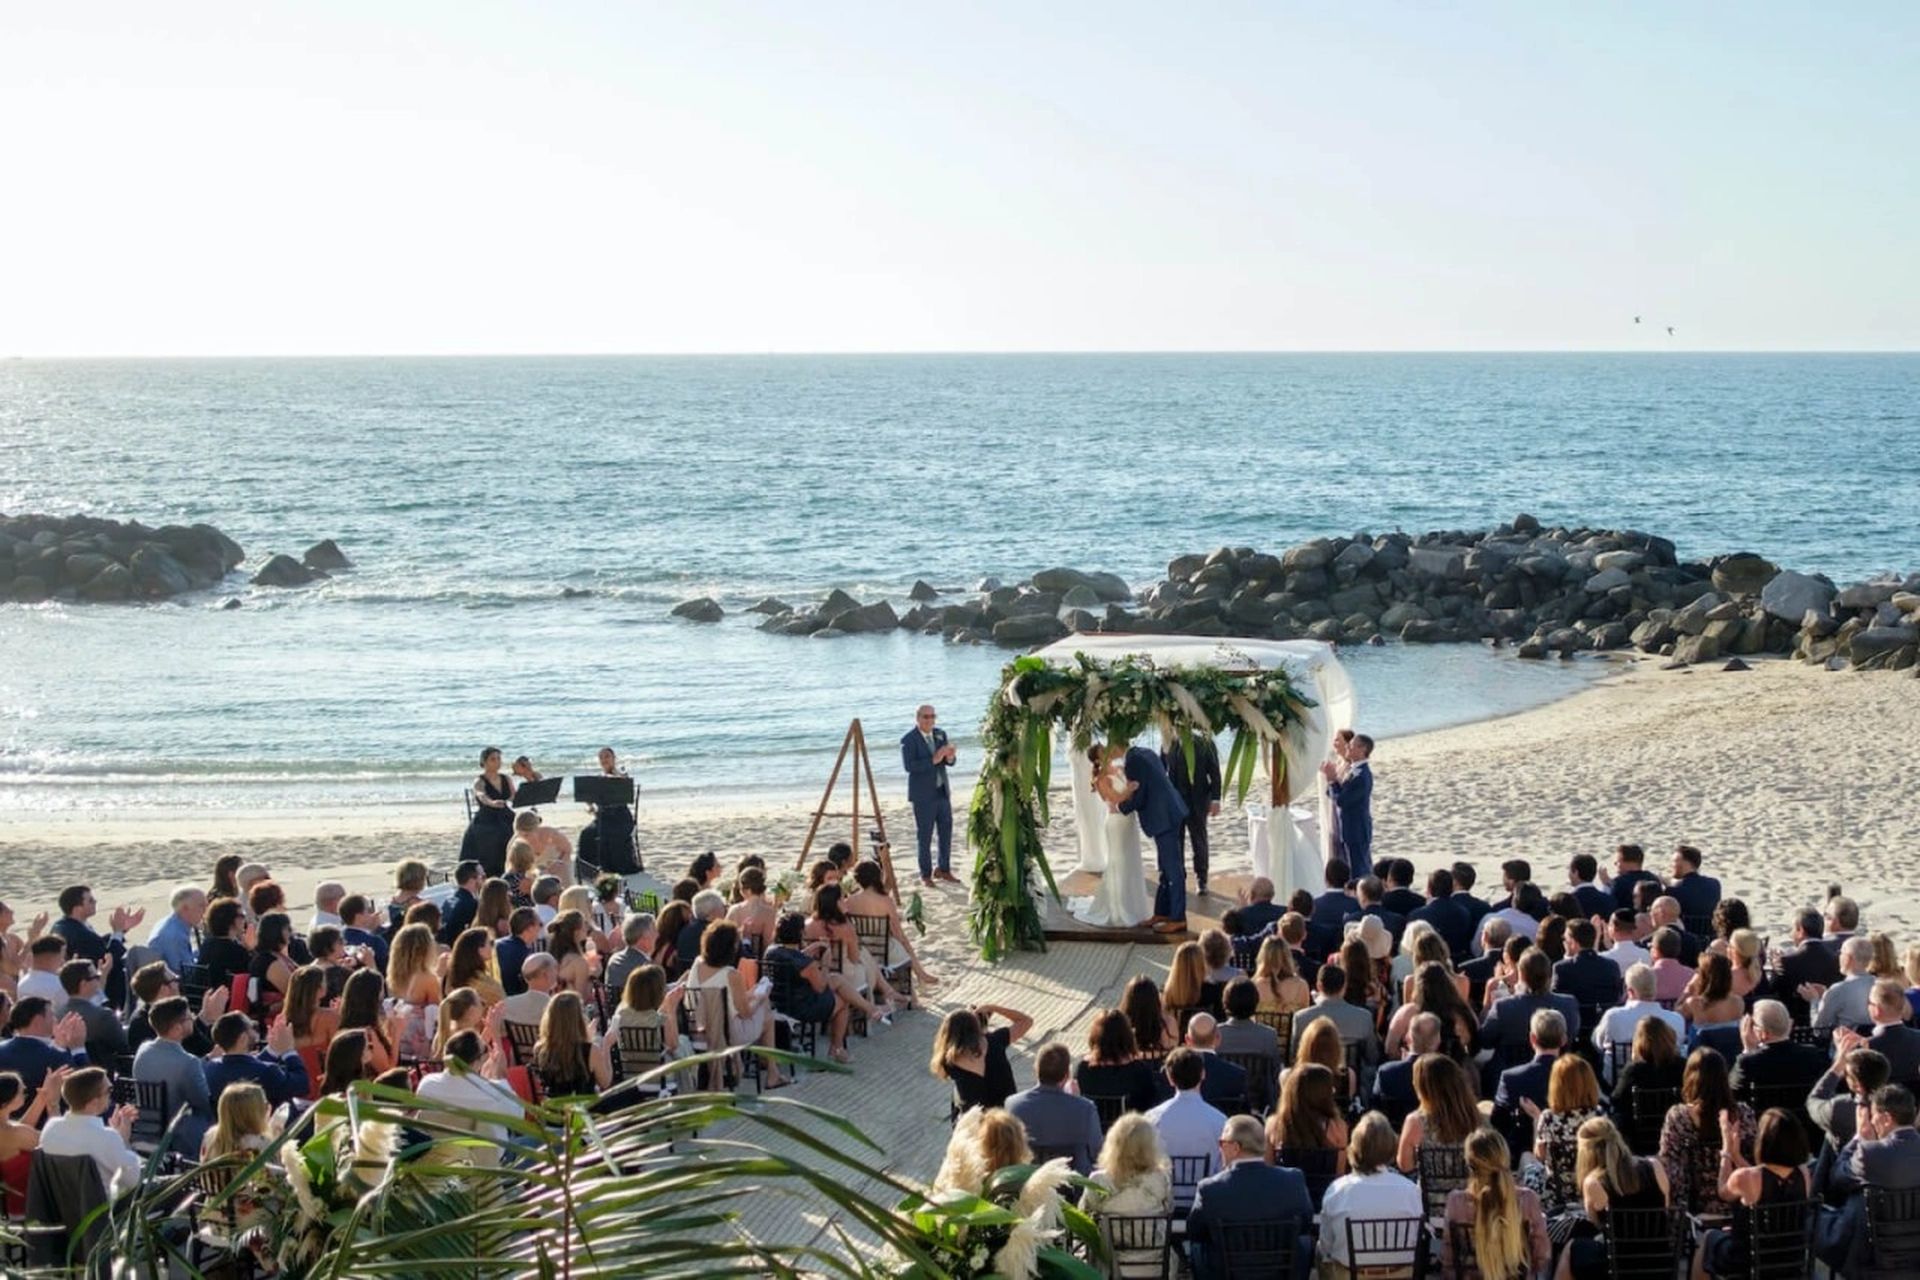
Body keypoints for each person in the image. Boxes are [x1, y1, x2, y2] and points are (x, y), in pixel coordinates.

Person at [1185, 1113, 1312, 1280]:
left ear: (1236, 1147)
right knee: (1304, 1241)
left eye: (1222, 1143)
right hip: (1280, 1271)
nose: (1219, 1148)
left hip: (1228, 1273)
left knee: (1197, 1248)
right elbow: (1306, 1222)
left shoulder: (1210, 1189)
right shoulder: (1293, 1179)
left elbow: (1195, 1231)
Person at [1692, 1107, 1809, 1280]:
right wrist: (1737, 1156)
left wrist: (1726, 1151)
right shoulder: (1804, 1174)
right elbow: (1764, 1180)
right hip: (1790, 1260)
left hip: (1749, 1259)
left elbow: (1723, 1191)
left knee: (1708, 1238)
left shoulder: (1746, 1178)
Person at [1090, 740, 1191, 933]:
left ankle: (1178, 918)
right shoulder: (1144, 752)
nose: (1109, 752)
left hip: (1164, 817)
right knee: (1165, 868)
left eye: (1110, 748)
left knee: (1173, 870)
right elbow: (1159, 774)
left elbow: (1141, 793)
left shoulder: (1133, 761)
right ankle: (1162, 912)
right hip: (1170, 812)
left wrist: (1120, 807)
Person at [1559, 1116, 1673, 1280]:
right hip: (1660, 1262)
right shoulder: (1655, 1166)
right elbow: (1664, 1209)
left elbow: (1595, 1225)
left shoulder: (1593, 1183)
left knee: (1572, 1248)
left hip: (1618, 1266)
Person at [1439, 1127, 1551, 1280]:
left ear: (1470, 1165)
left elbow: (1448, 1259)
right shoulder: (1527, 1199)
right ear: (1505, 1158)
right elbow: (1541, 1256)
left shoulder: (1455, 1201)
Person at [1321, 1111, 1424, 1276]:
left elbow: (1327, 1245)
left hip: (1351, 1274)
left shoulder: (1337, 1190)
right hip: (1400, 1274)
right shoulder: (1410, 1190)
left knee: (1320, 1252)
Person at [684, 921, 785, 1088]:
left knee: (760, 1003)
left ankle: (766, 1066)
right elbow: (745, 1013)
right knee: (767, 1013)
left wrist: (751, 994)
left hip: (696, 1029)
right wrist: (760, 997)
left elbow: (719, 1000)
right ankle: (772, 1072)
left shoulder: (697, 963)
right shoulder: (732, 974)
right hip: (725, 1034)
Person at [1658, 1048, 1755, 1217]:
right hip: (1741, 1204)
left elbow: (1671, 1167)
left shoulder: (1678, 1117)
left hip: (1693, 1208)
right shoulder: (1743, 1113)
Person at [1522, 1053, 1605, 1236]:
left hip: (1555, 1193)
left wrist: (1536, 1119)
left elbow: (1540, 1156)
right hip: (1590, 1189)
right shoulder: (1599, 1115)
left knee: (1525, 1159)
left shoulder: (1549, 1118)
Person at [38, 1067, 142, 1198]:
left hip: (64, 1207)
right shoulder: (107, 1138)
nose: (111, 1094)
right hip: (108, 1210)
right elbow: (133, 1181)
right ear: (94, 1101)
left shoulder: (50, 1128)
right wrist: (123, 1140)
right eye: (109, 1090)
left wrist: (115, 1136)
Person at [130, 997, 216, 1154]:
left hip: (146, 1127)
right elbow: (204, 1102)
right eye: (189, 1018)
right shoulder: (188, 1062)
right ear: (176, 1029)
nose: (192, 1020)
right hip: (176, 1132)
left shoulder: (143, 1050)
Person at [1083, 1113, 1174, 1256]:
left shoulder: (1098, 1181)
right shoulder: (1161, 1179)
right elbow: (1168, 1210)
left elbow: (1083, 1216)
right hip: (1154, 1263)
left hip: (1110, 1266)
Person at [1004, 1042, 1102, 1173]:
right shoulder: (1085, 1109)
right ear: (1067, 1074)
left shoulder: (1013, 1105)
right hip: (1076, 1184)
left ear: (1036, 1068)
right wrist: (1077, 1100)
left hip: (1028, 1181)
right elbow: (1097, 1152)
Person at [843, 860, 939, 989]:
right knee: (903, 941)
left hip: (862, 948)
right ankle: (920, 973)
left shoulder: (849, 901)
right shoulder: (885, 900)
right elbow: (898, 933)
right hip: (884, 947)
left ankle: (920, 974)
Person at [931, 1005, 1033, 1113]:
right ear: (976, 1025)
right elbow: (1026, 1021)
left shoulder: (948, 1061)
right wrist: (993, 1008)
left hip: (973, 1121)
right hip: (1005, 1115)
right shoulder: (996, 1040)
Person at [1144, 1048, 1227, 1180]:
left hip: (1164, 1194)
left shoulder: (1151, 1119)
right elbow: (1223, 1166)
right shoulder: (1220, 1121)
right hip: (1205, 1195)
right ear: (1203, 1074)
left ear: (1170, 1078)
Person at [1591, 964, 1685, 1080]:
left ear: (1629, 991)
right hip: (1667, 1083)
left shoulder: (1613, 1016)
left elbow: (1597, 1043)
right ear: (1655, 989)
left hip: (1617, 1081)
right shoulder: (1676, 1019)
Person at [901, 704, 958, 887]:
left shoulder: (940, 734)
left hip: (942, 791)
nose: (930, 720)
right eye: (926, 717)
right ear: (918, 718)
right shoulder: (909, 740)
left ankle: (943, 869)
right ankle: (925, 874)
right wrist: (933, 759)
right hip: (923, 795)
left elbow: (949, 762)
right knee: (924, 836)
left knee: (946, 832)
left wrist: (950, 758)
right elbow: (910, 766)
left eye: (933, 716)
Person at [205, 1010, 310, 1108]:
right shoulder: (268, 1072)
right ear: (243, 1038)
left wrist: (272, 1050)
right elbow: (302, 1084)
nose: (254, 1033)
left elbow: (245, 1065)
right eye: (251, 1028)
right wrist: (289, 1051)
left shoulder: (210, 1068)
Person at [1396, 1052, 1479, 1175]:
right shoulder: (1475, 1118)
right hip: (1469, 1192)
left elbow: (1405, 1165)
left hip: (1429, 1193)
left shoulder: (1415, 1121)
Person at [1161, 731, 1221, 897]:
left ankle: (1202, 879)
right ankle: (1179, 877)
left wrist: (1216, 799)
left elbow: (1215, 772)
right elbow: (1161, 770)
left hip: (1198, 800)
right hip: (1175, 802)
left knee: (1199, 840)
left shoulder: (1204, 743)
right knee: (1176, 840)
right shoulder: (1169, 742)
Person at [1073, 1008, 1164, 1114]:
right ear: (1128, 1037)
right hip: (1129, 1129)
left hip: (1092, 1128)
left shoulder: (1081, 1068)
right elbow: (1150, 1107)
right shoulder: (1140, 1071)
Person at [0, 998, 89, 1095]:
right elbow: (84, 1087)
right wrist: (78, 1048)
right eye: (51, 1015)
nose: (55, 1020)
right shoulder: (54, 1056)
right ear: (38, 1020)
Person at [1321, 733, 1374, 880]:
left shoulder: (1361, 775)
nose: (1348, 747)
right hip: (1349, 828)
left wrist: (1332, 781)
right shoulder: (1353, 770)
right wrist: (1332, 780)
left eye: (1352, 744)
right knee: (1353, 868)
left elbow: (1342, 800)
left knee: (1359, 870)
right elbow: (1335, 793)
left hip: (1356, 829)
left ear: (1362, 749)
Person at [57, 960, 126, 1068]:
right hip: (100, 1075)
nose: (98, 980)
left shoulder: (57, 1014)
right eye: (96, 977)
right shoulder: (103, 1016)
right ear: (83, 984)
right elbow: (123, 1046)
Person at [460, 747, 517, 877]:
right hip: (486, 818)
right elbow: (481, 795)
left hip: (505, 815)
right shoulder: (479, 780)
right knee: (494, 838)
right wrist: (492, 803)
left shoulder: (505, 778)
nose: (497, 762)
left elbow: (513, 796)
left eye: (498, 758)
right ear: (484, 762)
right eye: (493, 759)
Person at [1809, 935, 1877, 1030]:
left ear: (1848, 958)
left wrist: (1814, 1001)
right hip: (1876, 1041)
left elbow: (1819, 1026)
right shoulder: (1881, 986)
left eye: (1841, 953)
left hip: (1846, 1042)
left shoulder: (1838, 989)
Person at [146, 887, 205, 976]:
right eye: (201, 906)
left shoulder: (174, 923)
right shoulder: (174, 935)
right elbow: (187, 974)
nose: (205, 910)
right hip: (172, 985)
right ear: (185, 908)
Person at [447, 928, 506, 1008]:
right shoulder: (483, 984)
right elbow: (501, 1001)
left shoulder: (452, 976)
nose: (493, 948)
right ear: (479, 950)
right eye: (490, 943)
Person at [1665, 844, 1720, 926]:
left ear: (1685, 864)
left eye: (1674, 861)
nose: (1672, 865)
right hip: (1711, 934)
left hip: (1684, 935)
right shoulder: (1714, 884)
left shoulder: (1673, 890)